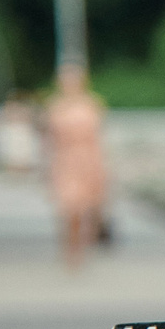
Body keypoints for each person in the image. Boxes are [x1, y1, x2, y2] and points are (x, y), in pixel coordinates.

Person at [47, 63, 110, 270]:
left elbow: (98, 137)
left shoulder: (92, 104)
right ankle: (71, 248)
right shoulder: (55, 106)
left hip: (88, 159)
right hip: (65, 161)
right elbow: (50, 140)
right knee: (69, 207)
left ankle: (82, 246)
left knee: (87, 207)